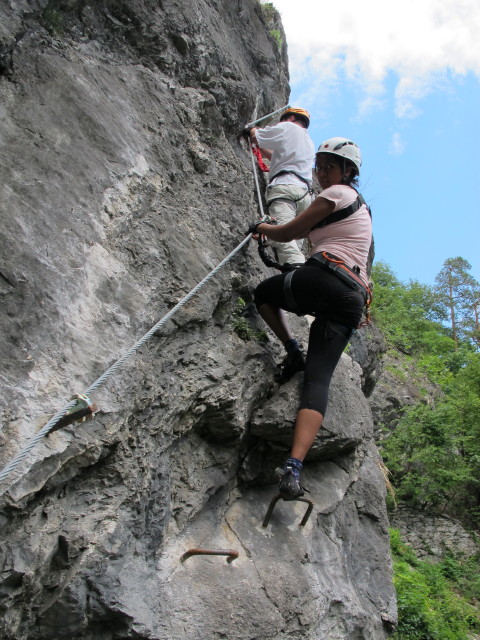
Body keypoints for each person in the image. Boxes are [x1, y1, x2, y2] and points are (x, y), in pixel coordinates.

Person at [248, 137, 372, 500]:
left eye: (328, 166)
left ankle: (291, 349)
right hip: (351, 299)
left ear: (347, 172)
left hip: (324, 277)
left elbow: (288, 233)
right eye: (318, 166)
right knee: (318, 380)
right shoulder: (360, 209)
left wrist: (263, 228)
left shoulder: (338, 194)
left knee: (264, 294)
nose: (320, 173)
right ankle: (293, 469)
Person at [248, 107, 315, 269]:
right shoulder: (307, 141)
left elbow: (258, 136)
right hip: (305, 196)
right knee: (294, 244)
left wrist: (251, 129)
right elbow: (277, 156)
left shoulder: (288, 127)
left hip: (286, 188)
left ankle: (297, 282)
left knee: (287, 245)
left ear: (291, 118)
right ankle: (294, 276)